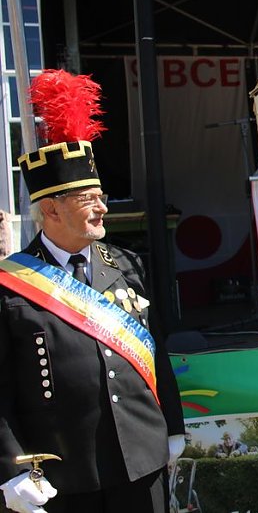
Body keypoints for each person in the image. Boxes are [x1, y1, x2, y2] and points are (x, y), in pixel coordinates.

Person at [0, 69, 185, 513]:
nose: (102, 207)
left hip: (142, 462)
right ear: (51, 209)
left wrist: (173, 427)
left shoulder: (126, 265)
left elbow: (154, 353)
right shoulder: (11, 285)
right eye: (88, 198)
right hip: (65, 472)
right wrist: (9, 469)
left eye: (100, 195)